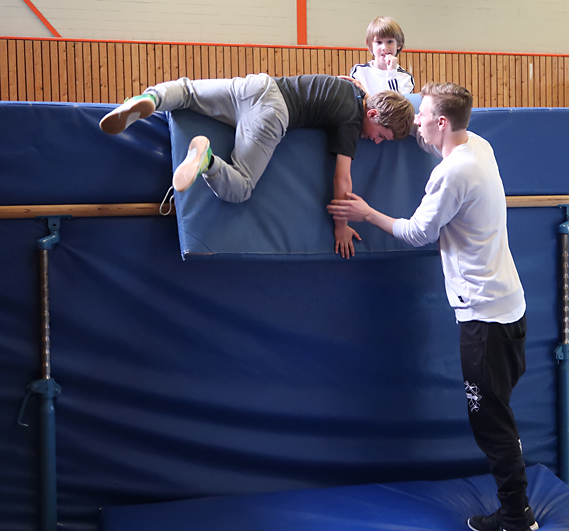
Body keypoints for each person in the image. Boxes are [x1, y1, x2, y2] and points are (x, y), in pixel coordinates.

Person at [327, 82, 538, 531]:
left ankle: (516, 516)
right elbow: (435, 146)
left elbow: (417, 232)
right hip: (509, 308)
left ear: (442, 122)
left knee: (491, 423)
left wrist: (367, 213)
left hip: (484, 317)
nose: (417, 121)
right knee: (498, 415)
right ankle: (516, 509)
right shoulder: (478, 146)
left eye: (422, 114)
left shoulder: (454, 173)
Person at [99, 74, 414, 258]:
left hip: (257, 85)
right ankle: (206, 160)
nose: (376, 142)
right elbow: (342, 178)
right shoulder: (351, 122)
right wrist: (341, 226)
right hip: (271, 114)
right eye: (381, 136)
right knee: (240, 188)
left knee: (187, 91)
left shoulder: (354, 89)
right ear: (371, 114)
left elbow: (360, 93)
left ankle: (147, 100)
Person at [349, 16, 414, 96]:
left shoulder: (406, 77)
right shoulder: (359, 71)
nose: (384, 47)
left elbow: (397, 103)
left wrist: (392, 73)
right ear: (369, 45)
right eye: (379, 42)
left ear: (399, 44)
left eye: (390, 42)